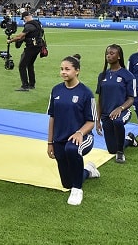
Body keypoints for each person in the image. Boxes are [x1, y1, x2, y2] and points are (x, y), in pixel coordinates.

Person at [46, 54, 100, 206]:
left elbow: (91, 121)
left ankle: (78, 190)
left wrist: (80, 132)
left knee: (72, 149)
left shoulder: (85, 93)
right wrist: (50, 142)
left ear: (77, 71)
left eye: (67, 69)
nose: (63, 72)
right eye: (62, 69)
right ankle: (88, 171)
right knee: (66, 184)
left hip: (84, 137)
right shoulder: (56, 90)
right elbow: (52, 118)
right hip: (59, 139)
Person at [96, 44, 138, 163]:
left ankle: (120, 153)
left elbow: (131, 98)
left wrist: (120, 108)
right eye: (107, 53)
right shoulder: (102, 75)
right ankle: (129, 140)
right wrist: (98, 120)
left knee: (117, 121)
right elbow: (100, 99)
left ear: (119, 56)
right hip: (106, 115)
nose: (108, 56)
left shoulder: (128, 76)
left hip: (123, 111)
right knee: (111, 150)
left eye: (112, 53)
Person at [8, 10, 43, 91]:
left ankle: (25, 85)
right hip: (38, 46)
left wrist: (11, 40)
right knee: (30, 65)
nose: (23, 21)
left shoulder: (29, 25)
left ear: (26, 17)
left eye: (23, 19)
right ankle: (32, 84)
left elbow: (21, 36)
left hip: (31, 47)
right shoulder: (37, 23)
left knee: (22, 66)